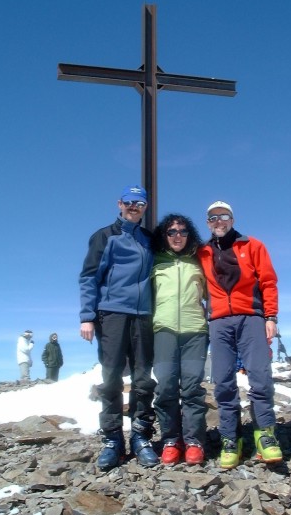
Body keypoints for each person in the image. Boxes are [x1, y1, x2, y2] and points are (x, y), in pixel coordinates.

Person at [198, 201, 282, 469]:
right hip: (219, 321)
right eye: (213, 218)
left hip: (251, 317)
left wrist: (270, 316)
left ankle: (265, 435)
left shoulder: (253, 246)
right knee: (223, 382)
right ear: (208, 223)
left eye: (223, 216)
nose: (218, 221)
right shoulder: (202, 252)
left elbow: (268, 282)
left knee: (260, 378)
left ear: (232, 220)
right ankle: (231, 439)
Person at [79, 185, 158, 470]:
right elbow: (89, 277)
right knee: (111, 376)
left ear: (145, 207)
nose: (134, 207)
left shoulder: (150, 240)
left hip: (144, 316)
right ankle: (113, 439)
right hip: (111, 313)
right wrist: (87, 316)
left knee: (143, 378)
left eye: (139, 203)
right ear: (119, 204)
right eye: (129, 202)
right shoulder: (105, 236)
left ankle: (141, 436)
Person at [152, 214, 208, 466]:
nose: (177, 236)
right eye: (172, 231)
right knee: (165, 386)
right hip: (163, 329)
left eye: (183, 232)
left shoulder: (199, 261)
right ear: (164, 235)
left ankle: (194, 441)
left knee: (192, 387)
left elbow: (214, 292)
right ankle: (171, 440)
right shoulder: (156, 261)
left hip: (195, 330)